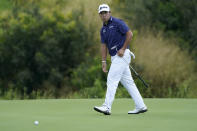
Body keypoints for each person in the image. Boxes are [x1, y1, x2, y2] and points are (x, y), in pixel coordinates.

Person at [94, 4, 148, 115]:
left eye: (105, 12)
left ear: (110, 12)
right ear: (99, 15)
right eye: (102, 13)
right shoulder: (103, 30)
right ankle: (141, 106)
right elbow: (103, 45)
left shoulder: (118, 22)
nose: (104, 15)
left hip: (122, 55)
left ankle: (106, 107)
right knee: (129, 83)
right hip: (114, 57)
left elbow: (130, 34)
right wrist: (103, 61)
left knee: (111, 79)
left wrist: (123, 49)